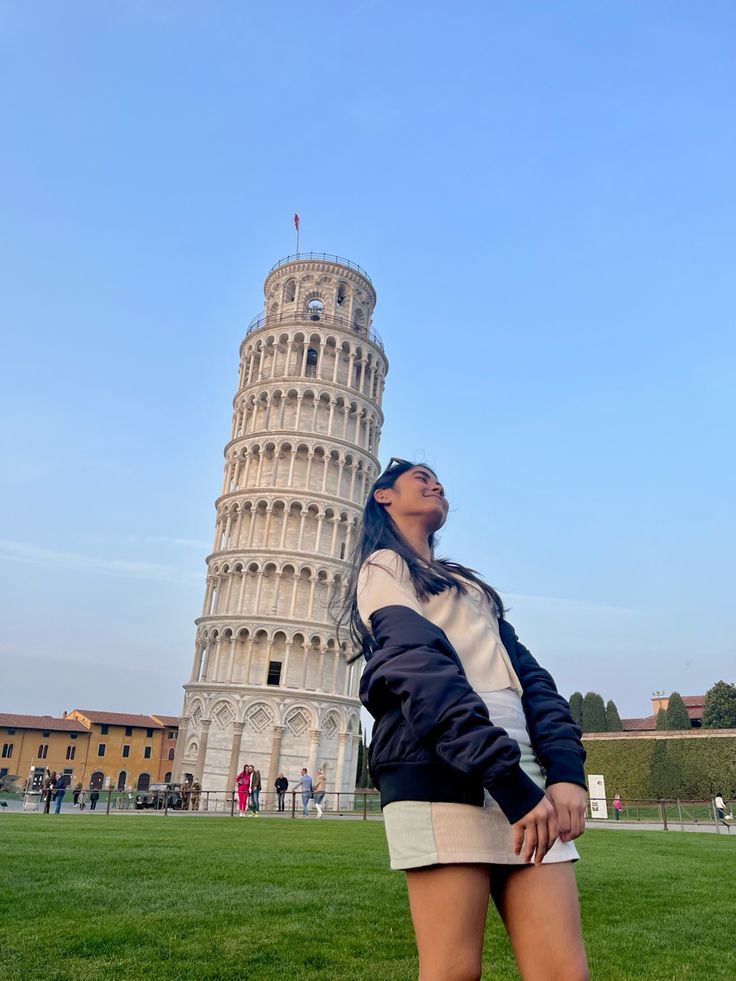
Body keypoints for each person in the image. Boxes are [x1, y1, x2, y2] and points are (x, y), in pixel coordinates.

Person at [338, 458, 588, 981]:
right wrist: (507, 780)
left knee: (563, 973)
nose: (436, 484)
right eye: (419, 477)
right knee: (454, 971)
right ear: (384, 497)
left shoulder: (467, 587)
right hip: (440, 773)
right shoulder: (382, 568)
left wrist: (564, 773)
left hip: (522, 773)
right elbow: (418, 670)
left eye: (439, 480)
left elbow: (533, 681)